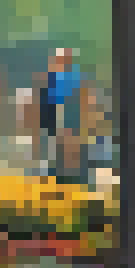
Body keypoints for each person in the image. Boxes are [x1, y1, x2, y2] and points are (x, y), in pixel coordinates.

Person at [43, 48, 94, 185]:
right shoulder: (52, 79)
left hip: (71, 119)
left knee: (73, 151)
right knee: (60, 152)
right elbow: (47, 102)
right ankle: (61, 179)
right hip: (59, 120)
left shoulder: (75, 78)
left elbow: (84, 99)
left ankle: (75, 179)